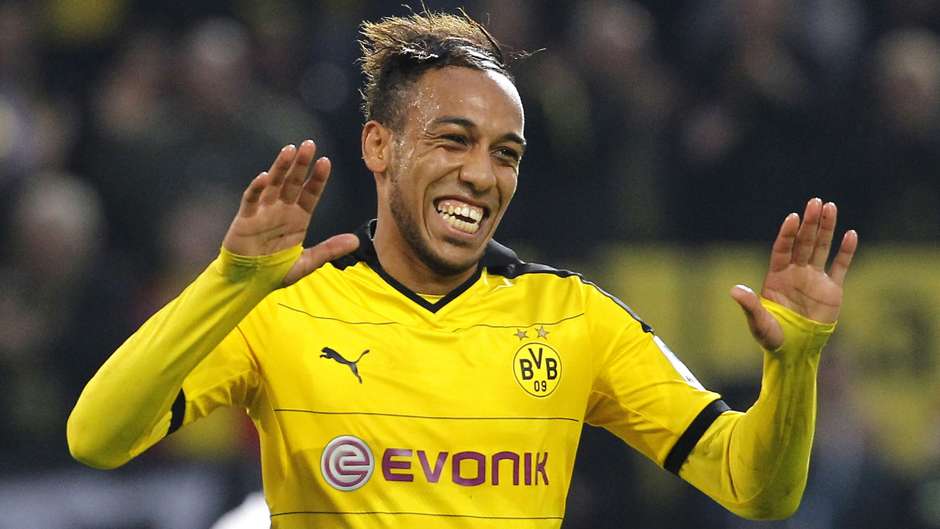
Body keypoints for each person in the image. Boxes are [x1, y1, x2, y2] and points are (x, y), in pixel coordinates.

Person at [67, 9, 858, 529]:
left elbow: (757, 489)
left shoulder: (576, 318)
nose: (482, 175)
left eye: (505, 153)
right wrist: (229, 283)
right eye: (453, 140)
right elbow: (97, 438)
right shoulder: (284, 311)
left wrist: (794, 369)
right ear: (379, 145)